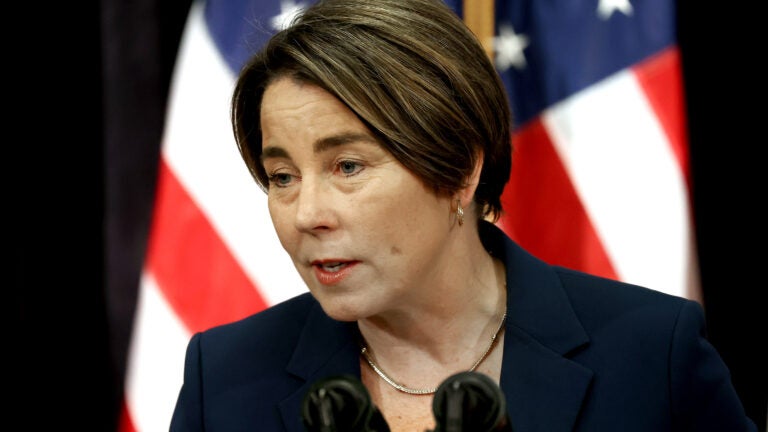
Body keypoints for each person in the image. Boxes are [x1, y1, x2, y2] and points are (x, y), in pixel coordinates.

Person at [169, 0, 757, 430]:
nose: (307, 215)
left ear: (460, 171)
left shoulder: (653, 356)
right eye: (282, 178)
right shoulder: (222, 380)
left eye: (348, 166)